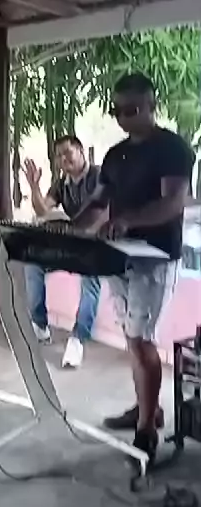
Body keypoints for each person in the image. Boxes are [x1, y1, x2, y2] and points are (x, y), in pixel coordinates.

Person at [74, 72, 195, 464]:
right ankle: (148, 408)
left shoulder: (172, 148)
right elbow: (98, 202)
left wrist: (129, 221)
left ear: (151, 105)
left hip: (155, 258)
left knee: (142, 341)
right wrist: (69, 228)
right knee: (132, 339)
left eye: (132, 109)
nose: (123, 117)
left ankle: (146, 431)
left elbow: (173, 203)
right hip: (119, 257)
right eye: (118, 111)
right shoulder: (115, 155)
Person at [23, 135, 101, 368]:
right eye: (58, 156)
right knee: (33, 261)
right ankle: (40, 325)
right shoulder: (61, 184)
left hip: (101, 244)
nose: (63, 159)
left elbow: (105, 211)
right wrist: (34, 186)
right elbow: (42, 210)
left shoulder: (99, 176)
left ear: (80, 151)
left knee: (90, 278)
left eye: (67, 152)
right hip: (73, 242)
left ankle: (78, 338)